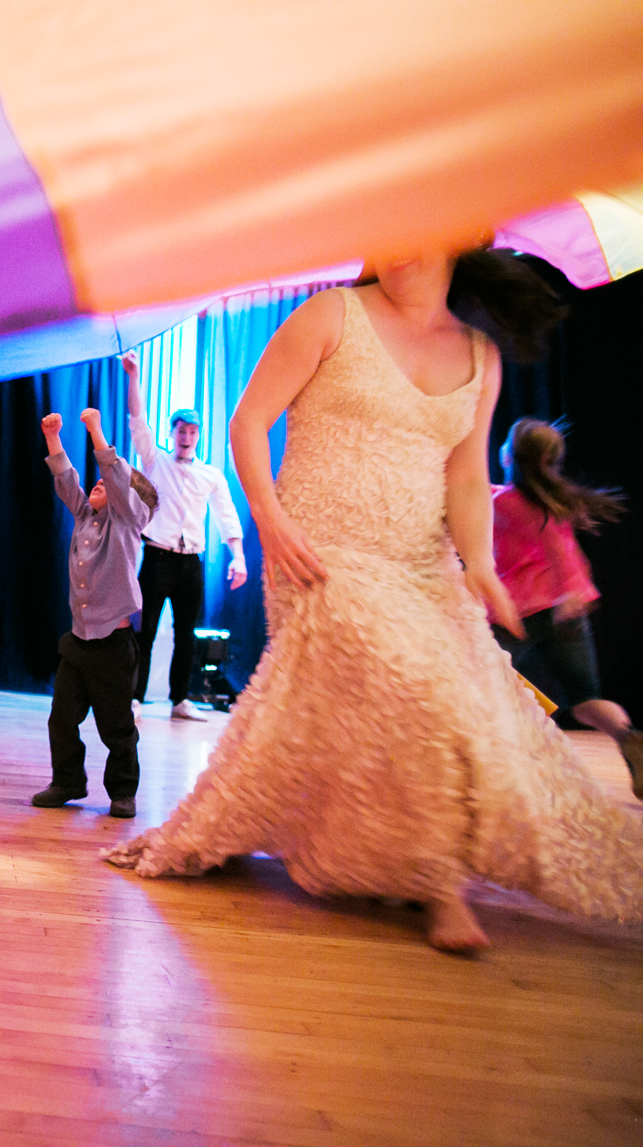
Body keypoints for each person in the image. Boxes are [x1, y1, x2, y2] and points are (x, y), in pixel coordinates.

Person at [104, 246, 643, 954]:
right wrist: (269, 519)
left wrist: (480, 564)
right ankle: (439, 884)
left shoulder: (480, 355)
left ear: (457, 237)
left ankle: (364, 840)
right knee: (416, 690)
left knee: (483, 710)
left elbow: (464, 475)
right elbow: (247, 422)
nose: (401, 245)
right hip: (320, 554)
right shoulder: (332, 315)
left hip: (422, 565)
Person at [491, 418, 641, 793]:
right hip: (568, 612)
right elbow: (565, 554)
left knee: (485, 678)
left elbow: (466, 500)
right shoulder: (559, 503)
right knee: (586, 699)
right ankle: (629, 737)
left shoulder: (500, 502)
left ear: (510, 455)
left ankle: (506, 765)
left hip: (517, 613)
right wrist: (570, 591)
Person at [32, 408, 158, 818]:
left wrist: (96, 431)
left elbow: (117, 476)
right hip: (79, 642)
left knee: (116, 727)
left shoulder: (126, 523)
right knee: (61, 718)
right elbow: (68, 480)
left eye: (109, 483)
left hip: (113, 647)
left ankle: (123, 792)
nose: (100, 482)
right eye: (98, 481)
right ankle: (67, 781)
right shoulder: (87, 516)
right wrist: (54, 437)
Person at [124, 352, 246, 720]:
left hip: (190, 561)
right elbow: (137, 421)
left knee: (186, 633)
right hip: (158, 557)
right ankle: (135, 698)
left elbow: (227, 515)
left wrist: (238, 557)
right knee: (143, 630)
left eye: (192, 431)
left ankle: (179, 700)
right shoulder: (156, 461)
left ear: (198, 436)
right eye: (181, 430)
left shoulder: (211, 474)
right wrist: (134, 376)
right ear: (172, 433)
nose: (186, 436)